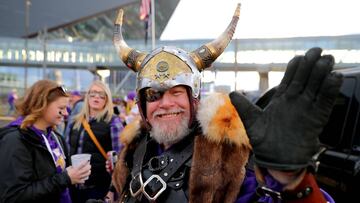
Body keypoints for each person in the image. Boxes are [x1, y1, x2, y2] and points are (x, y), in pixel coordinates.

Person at [107, 4, 343, 203]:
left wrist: (291, 179)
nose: (165, 103)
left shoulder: (229, 154)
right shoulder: (134, 149)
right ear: (142, 106)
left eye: (176, 92)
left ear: (194, 98)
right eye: (153, 95)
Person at [0, 80, 91, 203]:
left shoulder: (56, 137)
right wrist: (65, 178)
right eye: (61, 108)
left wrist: (75, 174)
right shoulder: (15, 141)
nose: (65, 113)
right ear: (42, 105)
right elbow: (14, 195)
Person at [66, 80, 124, 203]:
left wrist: (113, 189)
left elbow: (120, 159)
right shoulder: (75, 121)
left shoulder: (113, 122)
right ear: (87, 97)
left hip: (99, 188)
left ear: (107, 99)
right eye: (93, 93)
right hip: (73, 186)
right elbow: (66, 151)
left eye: (101, 94)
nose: (96, 97)